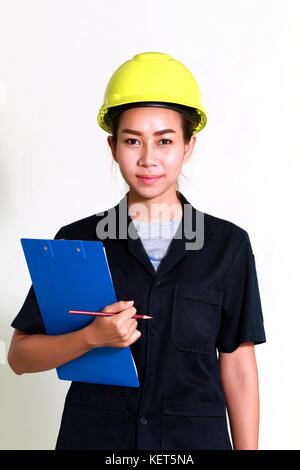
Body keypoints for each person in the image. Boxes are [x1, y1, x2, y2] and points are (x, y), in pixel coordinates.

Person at [8, 52, 266, 450]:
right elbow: (20, 357)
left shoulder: (227, 246)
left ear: (188, 145)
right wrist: (91, 337)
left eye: (164, 141)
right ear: (113, 146)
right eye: (132, 141)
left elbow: (239, 367)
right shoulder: (78, 241)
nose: (148, 159)